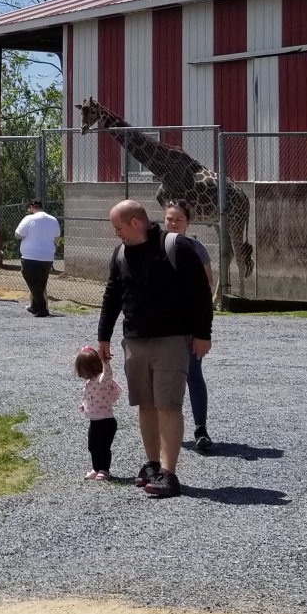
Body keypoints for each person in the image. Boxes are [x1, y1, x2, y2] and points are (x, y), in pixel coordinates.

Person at [97, 199, 212, 499]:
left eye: (118, 227)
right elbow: (112, 295)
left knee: (168, 405)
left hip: (172, 340)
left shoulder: (176, 247)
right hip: (135, 340)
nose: (116, 234)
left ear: (135, 222)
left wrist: (203, 334)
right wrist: (103, 336)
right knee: (145, 403)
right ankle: (151, 466)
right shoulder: (121, 253)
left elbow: (201, 293)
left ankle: (169, 474)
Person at [164, 201, 216, 453]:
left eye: (178, 220)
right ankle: (166, 428)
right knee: (165, 377)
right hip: (164, 325)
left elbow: (207, 284)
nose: (173, 223)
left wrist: (201, 328)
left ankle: (200, 429)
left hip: (189, 324)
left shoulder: (197, 249)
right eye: (169, 219)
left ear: (188, 222)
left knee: (193, 374)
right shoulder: (156, 246)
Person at [75, 345, 122, 481]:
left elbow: (108, 374)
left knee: (103, 447)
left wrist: (106, 363)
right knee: (92, 446)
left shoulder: (102, 380)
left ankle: (104, 470)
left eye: (83, 370)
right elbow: (90, 397)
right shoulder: (89, 382)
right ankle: (95, 468)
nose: (82, 373)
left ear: (92, 367)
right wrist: (85, 406)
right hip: (94, 421)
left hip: (106, 422)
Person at [14, 199, 61, 317]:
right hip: (48, 256)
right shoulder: (52, 219)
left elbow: (18, 234)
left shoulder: (29, 218)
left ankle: (42, 308)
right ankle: (34, 306)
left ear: (31, 207)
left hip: (31, 256)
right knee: (41, 283)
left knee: (32, 283)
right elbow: (57, 235)